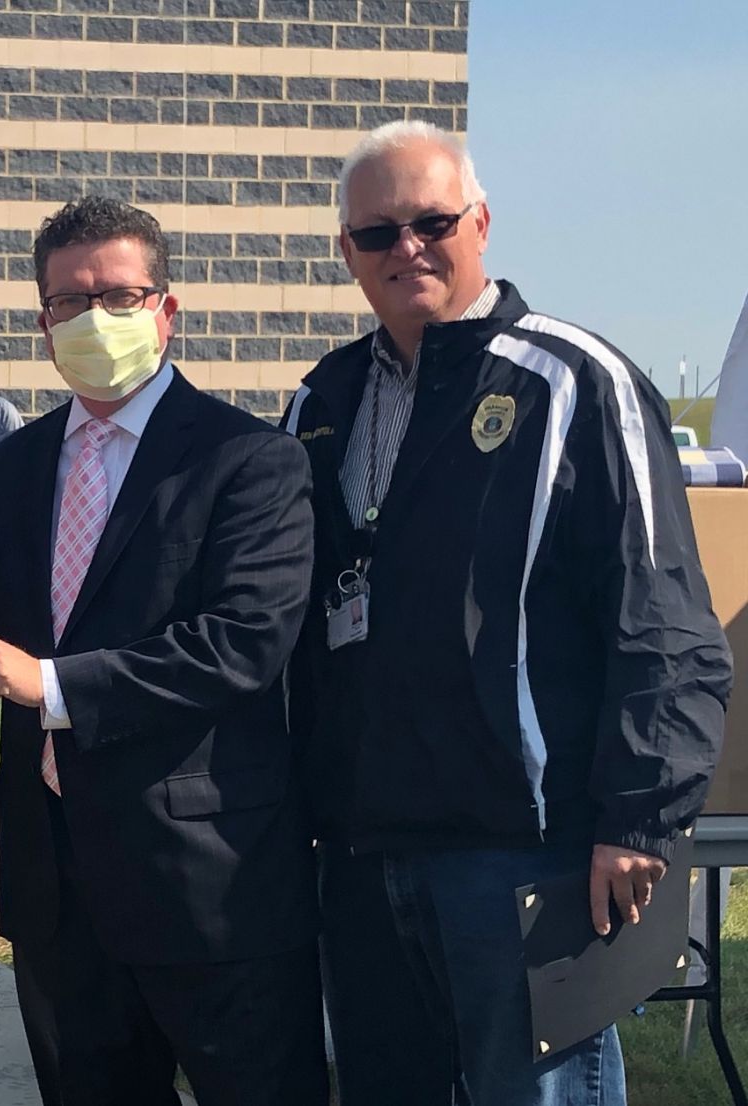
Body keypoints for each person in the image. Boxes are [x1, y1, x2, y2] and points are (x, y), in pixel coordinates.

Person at [283, 120, 731, 1106]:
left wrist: (638, 818)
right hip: (363, 851)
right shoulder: (321, 398)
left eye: (431, 221)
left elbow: (660, 622)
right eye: (376, 232)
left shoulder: (576, 381)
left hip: (523, 846)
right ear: (345, 251)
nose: (406, 248)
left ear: (480, 221)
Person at [0, 196, 326, 1105]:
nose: (94, 320)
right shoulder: (11, 468)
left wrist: (49, 683)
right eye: (69, 303)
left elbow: (245, 642)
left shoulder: (249, 459)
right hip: (52, 882)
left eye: (118, 296)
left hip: (207, 881)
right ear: (44, 322)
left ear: (166, 309)